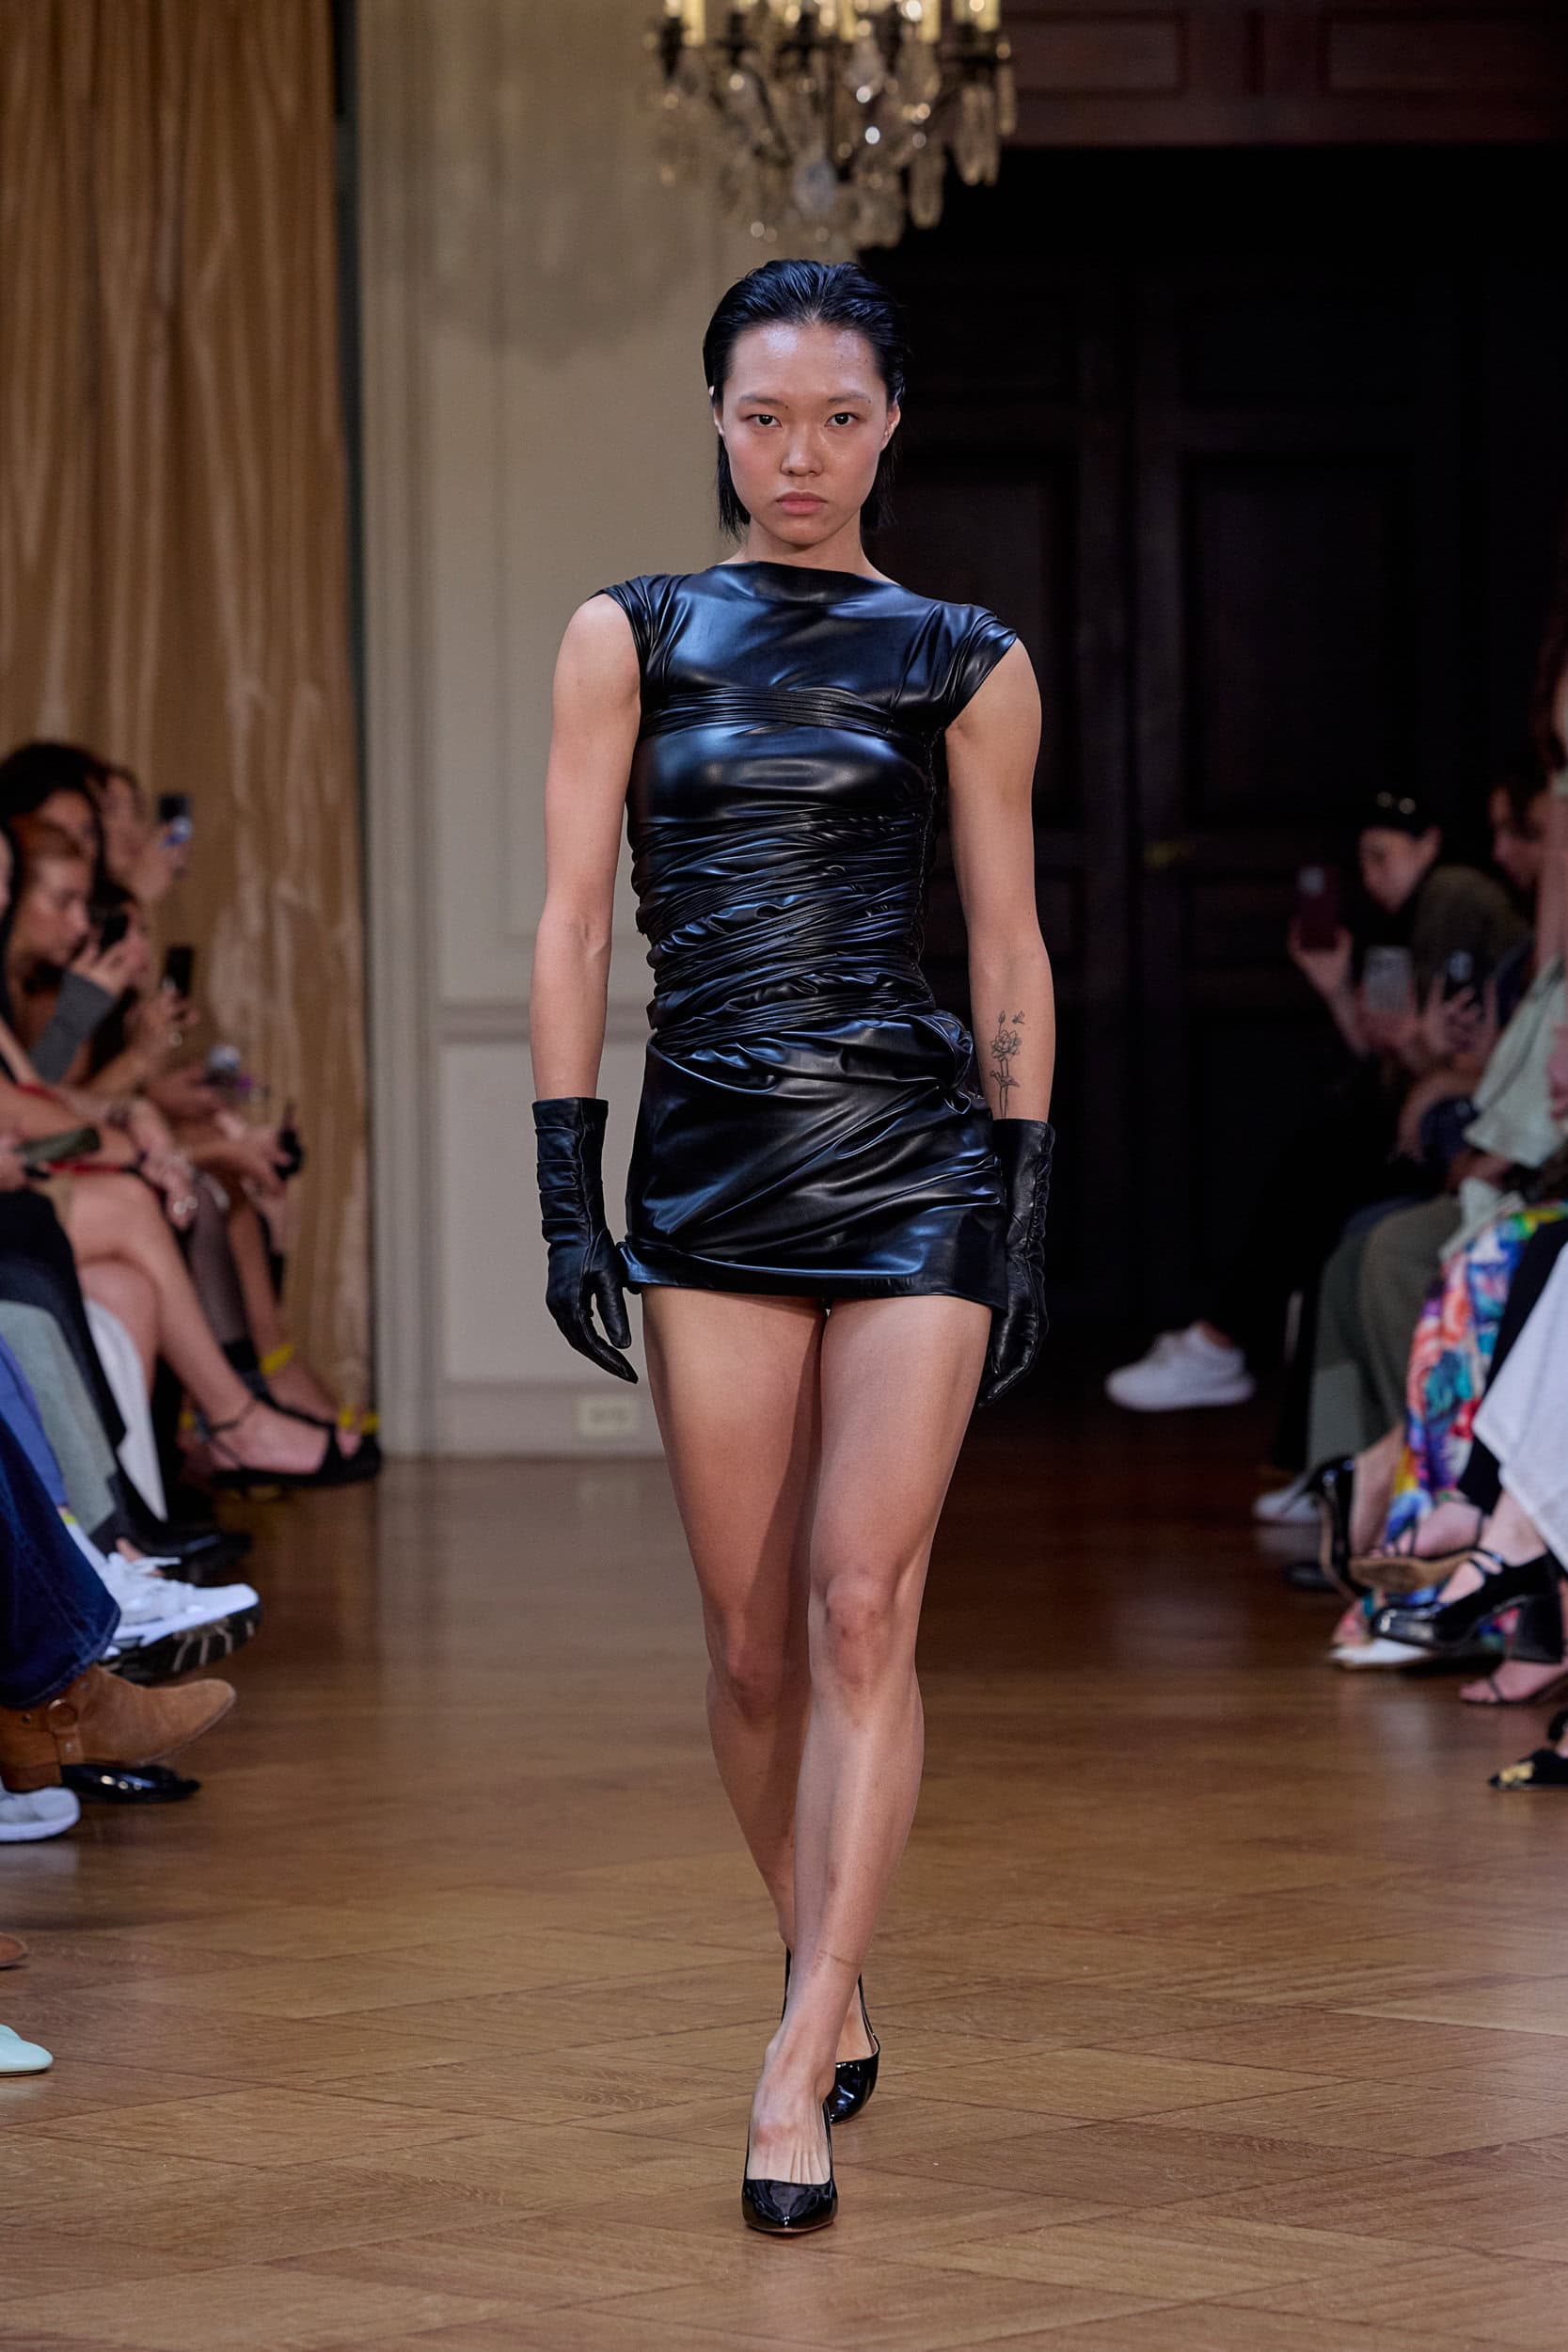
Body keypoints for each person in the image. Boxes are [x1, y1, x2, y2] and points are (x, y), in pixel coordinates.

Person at [529, 259, 1053, 2236]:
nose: (800, 454)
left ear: (888, 424)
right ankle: (816, 1950)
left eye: (837, 416)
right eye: (764, 417)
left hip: (910, 1156)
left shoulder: (962, 656)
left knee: (856, 1610)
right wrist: (562, 1184)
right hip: (709, 1166)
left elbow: (1003, 942)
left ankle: (796, 2045)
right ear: (715, 423)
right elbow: (571, 921)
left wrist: (1022, 1192)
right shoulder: (628, 634)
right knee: (750, 1643)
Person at [1107, 784, 1528, 1418]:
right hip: (1427, 1112)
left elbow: (1447, 1062)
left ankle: (1220, 1344)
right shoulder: (1403, 921)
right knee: (1311, 1148)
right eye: (1363, 861)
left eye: (1383, 857)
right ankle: (1226, 1350)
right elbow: (1391, 1056)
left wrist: (1424, 1064)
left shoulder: (1454, 896)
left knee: (1320, 1159)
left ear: (1429, 845)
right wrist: (1336, 991)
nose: (1371, 876)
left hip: (1465, 1126)